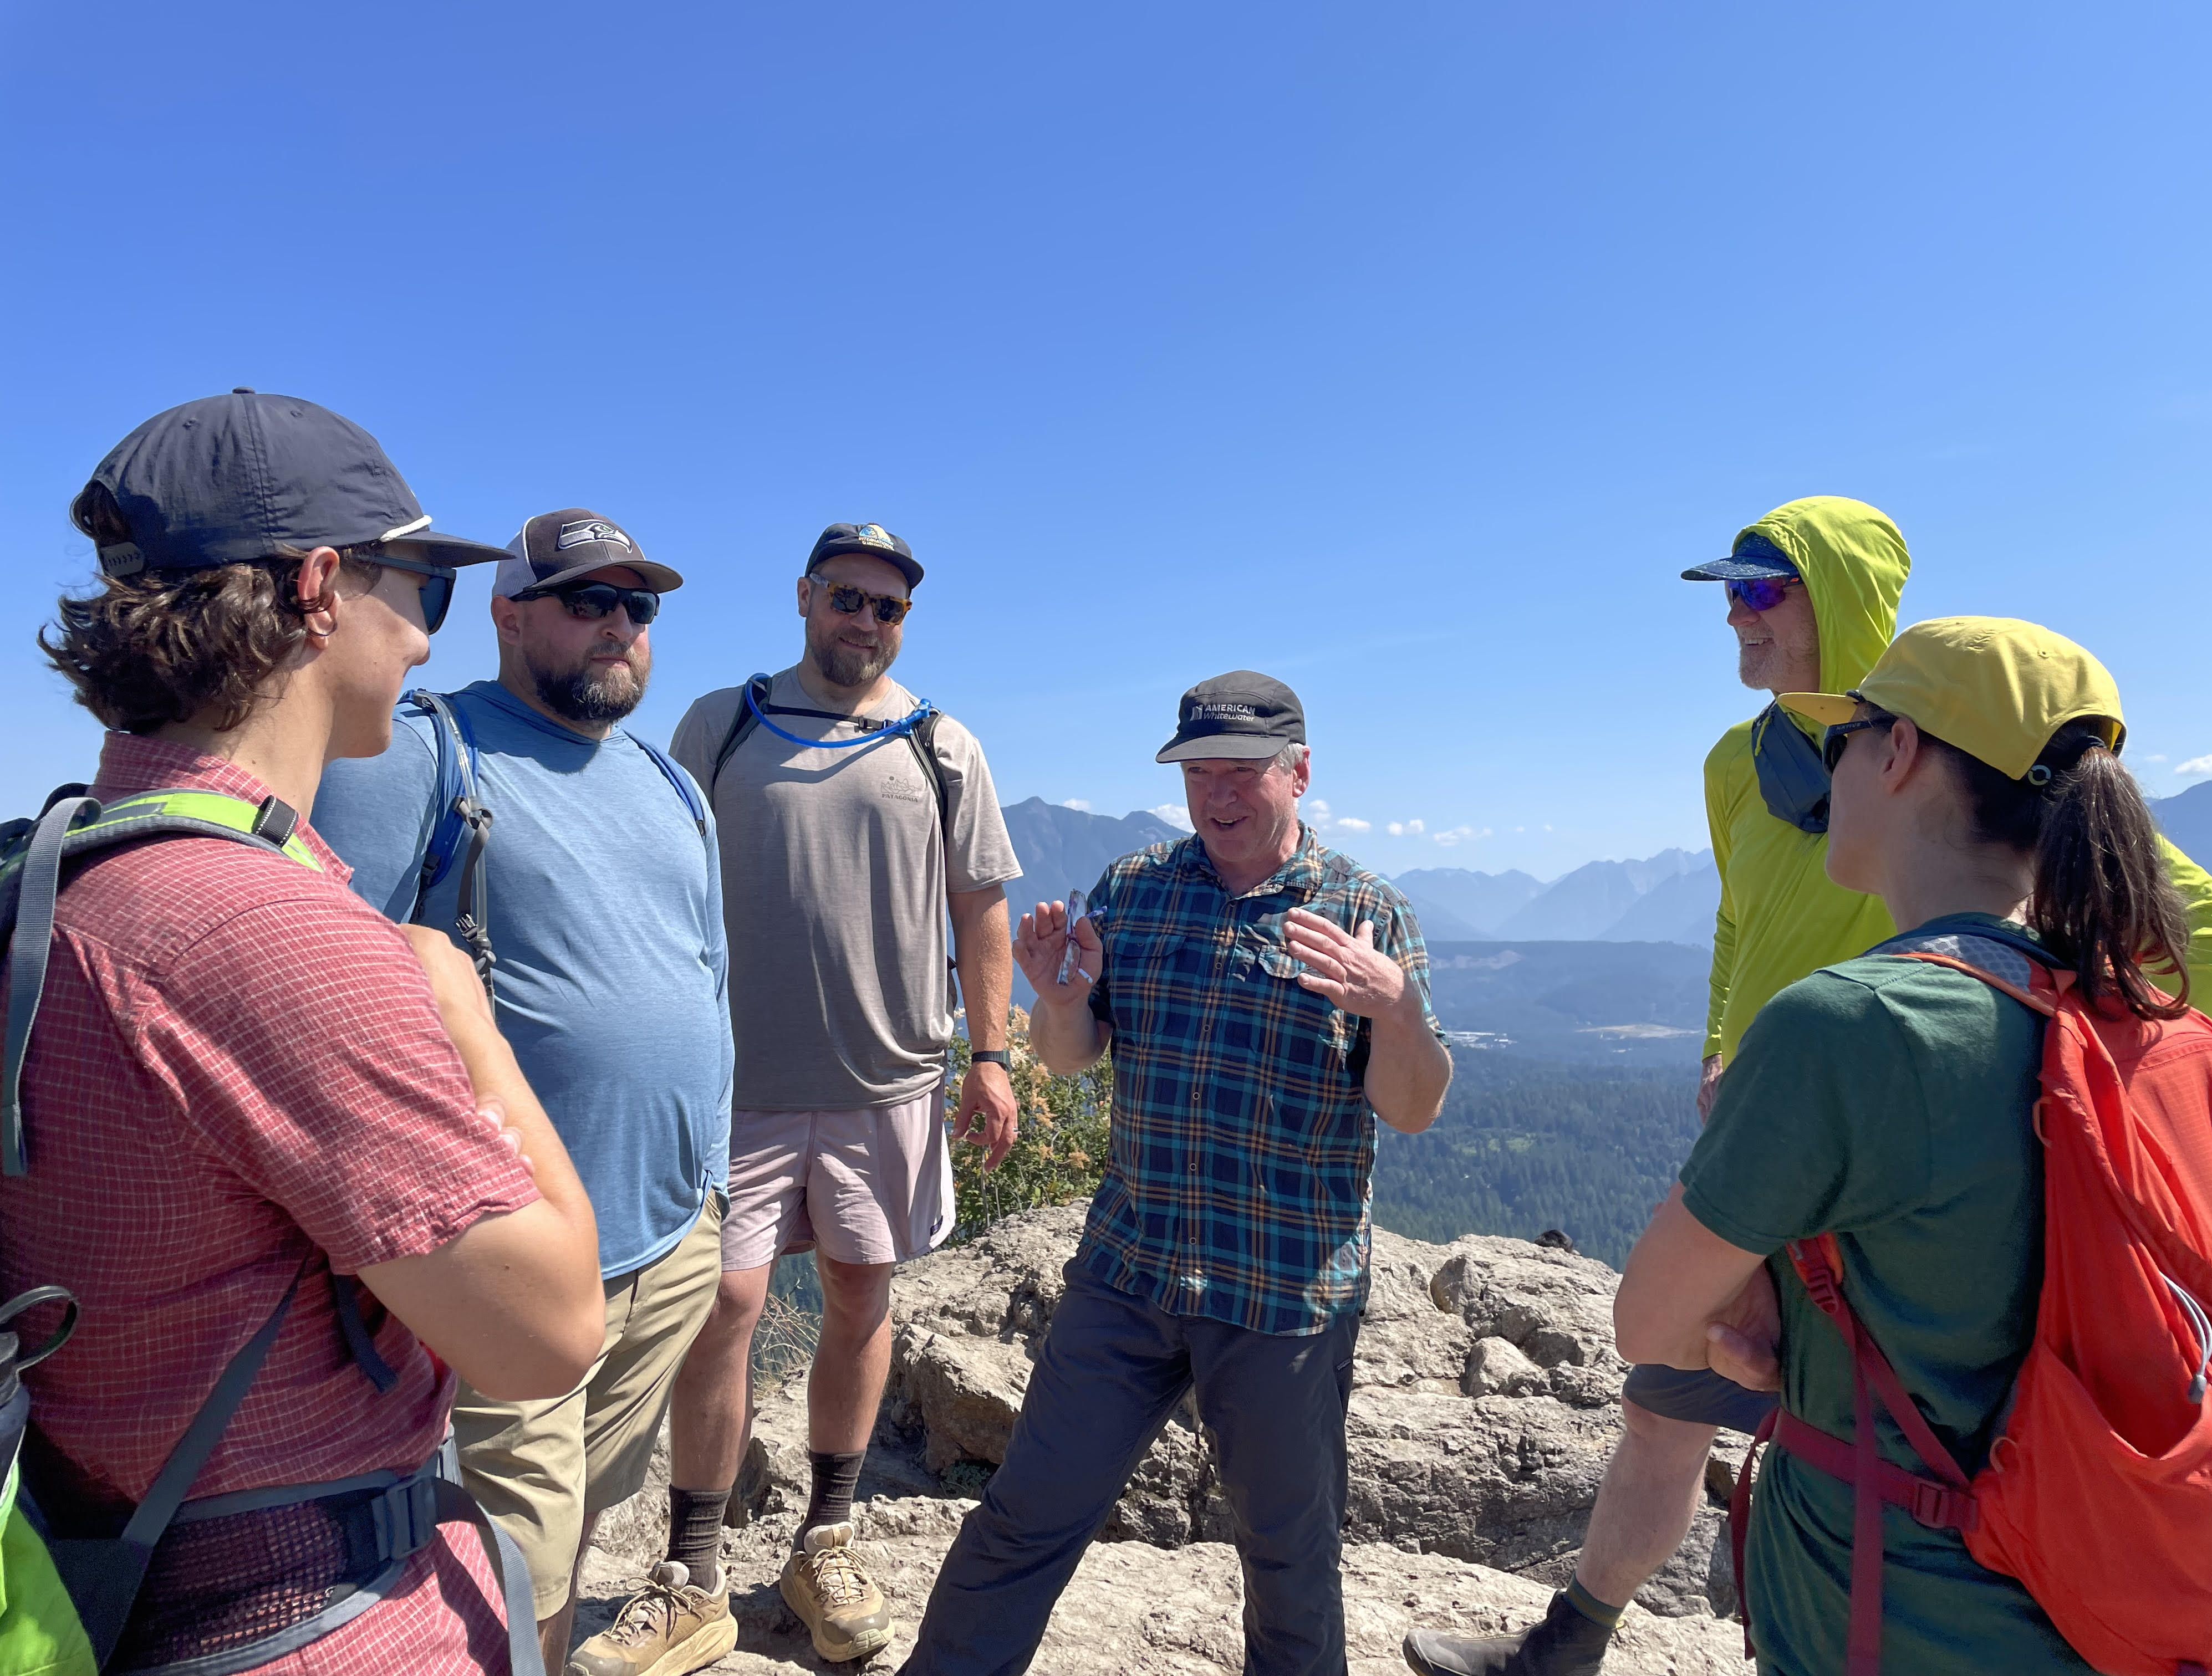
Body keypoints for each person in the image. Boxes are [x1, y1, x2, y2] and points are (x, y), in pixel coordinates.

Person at [1404, 496, 2212, 1676]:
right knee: (1677, 1415)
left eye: (1758, 589)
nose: (1733, 618)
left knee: (1851, 1425)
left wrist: (1993, 1033)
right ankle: (1567, 1643)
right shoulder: (1749, 770)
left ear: (1892, 746)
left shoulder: (1979, 744)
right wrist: (1721, 1053)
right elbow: (1742, 922)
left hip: (1867, 1133)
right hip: (1791, 1135)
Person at [0, 391, 603, 1672]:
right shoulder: (274, 937)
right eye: (422, 596)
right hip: (313, 1618)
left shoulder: (38, 885)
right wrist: (462, 1017)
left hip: (87, 1579)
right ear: (323, 588)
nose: (429, 647)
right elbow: (546, 1336)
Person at [1610, 615, 2194, 1672]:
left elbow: (1647, 1319)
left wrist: (1750, 1299)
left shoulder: (1851, 1025)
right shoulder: (2152, 1023)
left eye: (1846, 739)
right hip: (2114, 1606)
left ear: (1903, 751)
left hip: (1891, 1613)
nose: (1830, 770)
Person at [898, 670, 1454, 1676]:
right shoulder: (1136, 889)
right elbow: (1074, 1057)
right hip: (1130, 1272)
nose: (1219, 796)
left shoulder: (1369, 913)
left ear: (1302, 772)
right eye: (1200, 772)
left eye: (1244, 772)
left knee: (1291, 1568)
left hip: (1283, 1296)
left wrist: (1396, 1011)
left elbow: (1413, 1107)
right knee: (1024, 1516)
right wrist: (1059, 1002)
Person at [314, 509, 735, 1676]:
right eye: (587, 600)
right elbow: (338, 977)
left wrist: (713, 1189)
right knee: (520, 1555)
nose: (620, 627)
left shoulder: (668, 782)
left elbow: (709, 980)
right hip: (509, 1245)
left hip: (670, 1230)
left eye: (639, 607)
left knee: (583, 1517)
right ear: (505, 612)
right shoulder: (424, 750)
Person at [665, 522, 1021, 1665]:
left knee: (863, 1302)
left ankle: (829, 1532)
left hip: (891, 1082)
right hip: (735, 1082)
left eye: (889, 608)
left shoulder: (941, 743)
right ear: (806, 597)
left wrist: (993, 1055)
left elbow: (981, 911)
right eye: (849, 599)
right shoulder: (722, 724)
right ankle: (693, 1562)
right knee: (722, 1307)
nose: (866, 622)